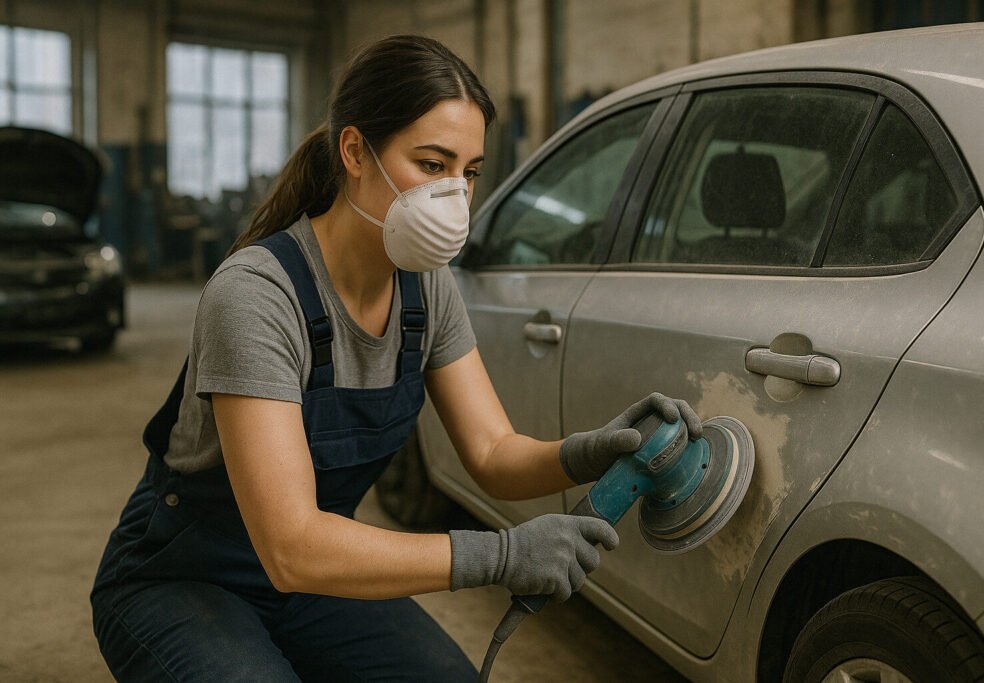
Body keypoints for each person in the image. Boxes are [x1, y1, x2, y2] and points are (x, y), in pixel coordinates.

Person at [90, 34, 702, 681]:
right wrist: (500, 555)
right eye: (432, 164)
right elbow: (292, 544)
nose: (456, 197)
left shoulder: (426, 286)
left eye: (469, 171)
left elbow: (493, 453)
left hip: (317, 572)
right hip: (186, 577)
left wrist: (588, 450)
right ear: (355, 151)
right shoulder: (257, 294)